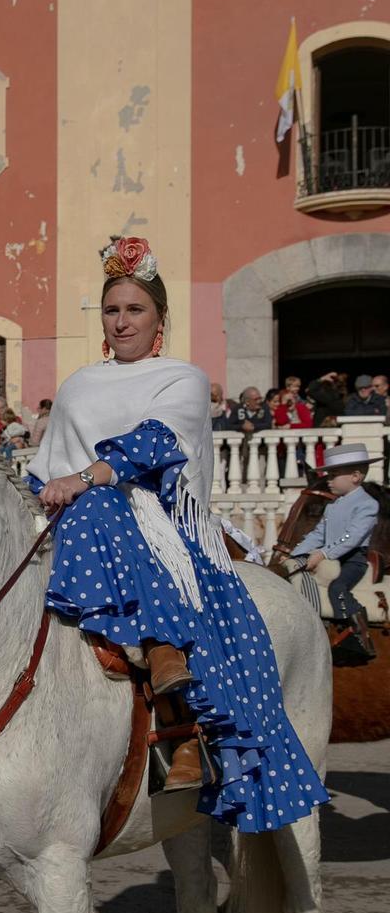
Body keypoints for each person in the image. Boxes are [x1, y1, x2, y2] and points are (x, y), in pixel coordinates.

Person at [26, 233, 329, 826]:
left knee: (99, 504)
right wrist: (50, 491)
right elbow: (47, 467)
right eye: (112, 310)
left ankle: (183, 709)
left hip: (160, 522)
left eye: (135, 309)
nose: (121, 321)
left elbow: (156, 444)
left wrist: (84, 480)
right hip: (80, 523)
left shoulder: (182, 378)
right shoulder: (78, 384)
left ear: (159, 318)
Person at [296, 444, 381, 661]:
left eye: (333, 475)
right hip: (330, 557)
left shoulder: (367, 505)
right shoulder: (332, 506)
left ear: (355, 476)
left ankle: (361, 635)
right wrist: (295, 555)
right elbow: (318, 534)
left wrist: (322, 554)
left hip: (353, 559)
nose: (329, 480)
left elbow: (352, 537)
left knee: (338, 588)